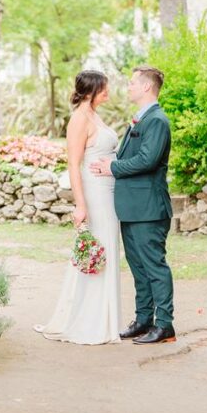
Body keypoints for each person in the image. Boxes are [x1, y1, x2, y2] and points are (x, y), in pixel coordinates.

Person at [34, 70, 122, 345]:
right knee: (98, 252)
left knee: (107, 249)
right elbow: (73, 164)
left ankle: (105, 319)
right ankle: (89, 321)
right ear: (92, 90)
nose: (108, 92)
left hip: (108, 192)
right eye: (104, 88)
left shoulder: (95, 115)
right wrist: (80, 205)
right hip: (94, 194)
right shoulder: (79, 119)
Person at [90, 66, 176, 345]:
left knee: (154, 266)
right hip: (132, 207)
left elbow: (148, 160)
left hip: (149, 208)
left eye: (131, 83)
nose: (127, 87)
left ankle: (164, 325)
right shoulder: (140, 119)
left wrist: (112, 167)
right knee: (138, 266)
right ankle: (143, 320)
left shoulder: (157, 121)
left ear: (146, 88)